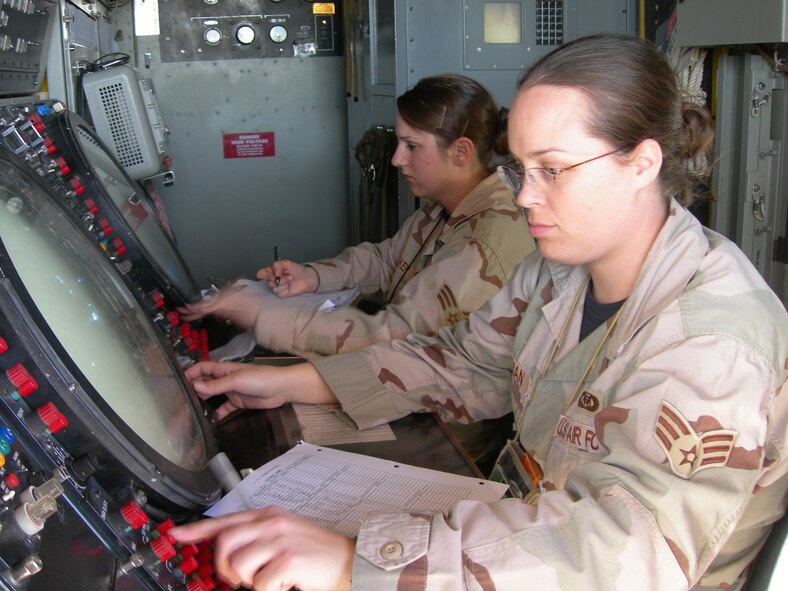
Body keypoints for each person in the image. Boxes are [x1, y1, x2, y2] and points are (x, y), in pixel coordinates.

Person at [171, 34, 788, 591]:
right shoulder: (557, 271)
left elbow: (624, 553)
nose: (525, 196)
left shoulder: (713, 338)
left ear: (642, 164)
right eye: (521, 168)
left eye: (552, 170)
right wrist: (293, 382)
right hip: (530, 532)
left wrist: (357, 565)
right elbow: (463, 365)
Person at [180, 74, 534, 360]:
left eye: (412, 146)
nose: (396, 159)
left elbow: (395, 332)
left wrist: (263, 316)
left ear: (460, 152)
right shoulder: (445, 206)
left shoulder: (486, 241)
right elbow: (386, 261)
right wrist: (312, 277)